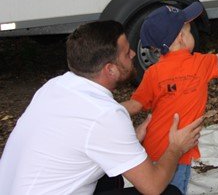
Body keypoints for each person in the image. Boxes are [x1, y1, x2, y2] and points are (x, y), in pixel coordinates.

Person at [0, 20, 203, 195]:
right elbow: (153, 186)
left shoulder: (55, 86)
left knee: (111, 177)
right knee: (169, 192)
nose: (133, 54)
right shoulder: (106, 114)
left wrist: (129, 138)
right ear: (110, 70)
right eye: (126, 53)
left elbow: (85, 133)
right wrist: (176, 147)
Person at [121, 2, 218, 195]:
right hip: (180, 148)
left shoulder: (153, 73)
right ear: (181, 38)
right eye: (189, 31)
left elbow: (135, 105)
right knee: (175, 190)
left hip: (152, 148)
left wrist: (103, 109)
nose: (191, 34)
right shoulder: (200, 63)